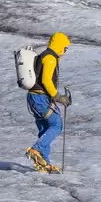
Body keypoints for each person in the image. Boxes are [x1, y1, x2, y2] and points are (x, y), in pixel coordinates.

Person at [25, 32, 72, 174]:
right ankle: (36, 149)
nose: (65, 51)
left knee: (45, 129)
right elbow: (46, 80)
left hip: (34, 97)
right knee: (56, 125)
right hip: (40, 98)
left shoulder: (45, 55)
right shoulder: (50, 58)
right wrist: (58, 97)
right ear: (59, 46)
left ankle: (44, 164)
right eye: (65, 47)